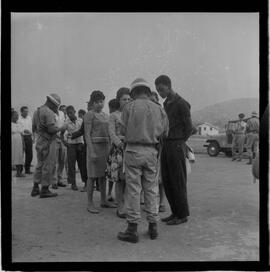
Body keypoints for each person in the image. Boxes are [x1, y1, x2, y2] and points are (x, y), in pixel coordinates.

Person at [117, 78, 169, 243]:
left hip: (133, 150)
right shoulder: (159, 109)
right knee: (151, 189)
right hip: (151, 152)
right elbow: (165, 133)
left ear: (133, 92)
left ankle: (132, 229)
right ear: (147, 91)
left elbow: (122, 130)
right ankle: (153, 227)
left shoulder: (128, 107)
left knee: (133, 189)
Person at [155, 75, 193, 225]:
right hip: (166, 145)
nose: (160, 93)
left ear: (169, 86)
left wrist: (180, 142)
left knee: (178, 180)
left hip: (176, 144)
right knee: (167, 179)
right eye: (158, 90)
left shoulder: (181, 103)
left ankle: (182, 215)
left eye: (162, 89)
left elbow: (189, 127)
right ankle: (175, 212)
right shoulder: (166, 104)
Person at [84, 90, 117, 214]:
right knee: (92, 176)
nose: (100, 104)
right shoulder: (89, 115)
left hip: (105, 148)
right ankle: (90, 203)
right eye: (97, 102)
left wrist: (110, 149)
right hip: (94, 147)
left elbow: (109, 134)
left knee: (103, 176)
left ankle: (103, 200)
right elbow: (87, 135)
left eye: (101, 101)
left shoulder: (105, 116)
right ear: (92, 103)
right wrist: (92, 151)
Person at [31, 93, 66, 198]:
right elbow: (51, 129)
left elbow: (34, 127)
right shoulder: (49, 112)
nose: (56, 108)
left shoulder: (37, 111)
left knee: (40, 164)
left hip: (40, 140)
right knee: (48, 165)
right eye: (56, 106)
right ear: (52, 103)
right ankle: (45, 189)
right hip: (49, 142)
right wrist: (61, 128)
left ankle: (36, 187)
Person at [107, 88, 131, 218]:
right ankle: (120, 207)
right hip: (119, 150)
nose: (127, 101)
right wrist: (120, 144)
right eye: (124, 99)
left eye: (129, 99)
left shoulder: (132, 114)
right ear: (119, 100)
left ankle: (127, 205)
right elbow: (111, 133)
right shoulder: (114, 115)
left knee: (129, 179)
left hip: (131, 149)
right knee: (120, 179)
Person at [61, 106, 87, 191]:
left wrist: (83, 143)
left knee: (82, 164)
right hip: (71, 145)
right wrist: (65, 143)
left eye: (71, 112)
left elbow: (84, 132)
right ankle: (73, 183)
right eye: (68, 113)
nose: (70, 114)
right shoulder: (66, 122)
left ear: (75, 111)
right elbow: (61, 134)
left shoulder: (81, 120)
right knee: (71, 165)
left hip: (80, 144)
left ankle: (86, 183)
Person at [150, 91, 166, 212]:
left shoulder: (161, 111)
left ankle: (161, 202)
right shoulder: (146, 112)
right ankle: (148, 202)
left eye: (154, 100)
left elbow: (165, 130)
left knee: (160, 178)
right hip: (149, 147)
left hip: (159, 147)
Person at [52, 105, 68, 189]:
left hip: (63, 139)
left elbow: (65, 127)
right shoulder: (52, 114)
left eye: (65, 110)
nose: (64, 111)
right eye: (63, 109)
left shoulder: (62, 115)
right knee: (55, 161)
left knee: (62, 160)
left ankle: (59, 179)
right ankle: (54, 181)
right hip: (55, 139)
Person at [18, 106, 34, 174]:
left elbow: (31, 127)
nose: (26, 113)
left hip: (28, 137)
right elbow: (18, 128)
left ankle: (27, 169)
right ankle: (20, 170)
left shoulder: (29, 118)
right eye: (25, 111)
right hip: (21, 137)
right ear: (21, 112)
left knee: (30, 154)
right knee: (20, 154)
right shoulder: (18, 119)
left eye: (27, 111)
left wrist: (32, 136)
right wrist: (24, 130)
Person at [12, 111, 25, 177]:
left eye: (17, 115)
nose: (17, 116)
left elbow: (22, 134)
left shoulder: (19, 124)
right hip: (13, 142)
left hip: (19, 142)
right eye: (15, 115)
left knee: (19, 157)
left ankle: (18, 173)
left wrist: (23, 144)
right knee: (13, 156)